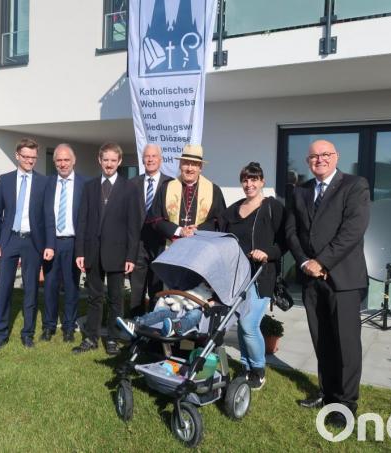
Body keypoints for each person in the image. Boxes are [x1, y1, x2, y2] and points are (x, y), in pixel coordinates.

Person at [285, 139, 370, 427]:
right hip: (312, 279)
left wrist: (321, 262)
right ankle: (327, 393)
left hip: (343, 279)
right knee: (322, 340)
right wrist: (304, 263)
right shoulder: (300, 191)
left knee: (346, 344)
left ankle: (345, 403)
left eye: (325, 154)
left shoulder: (354, 186)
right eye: (314, 156)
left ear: (336, 157)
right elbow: (292, 231)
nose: (319, 159)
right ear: (307, 161)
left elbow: (353, 230)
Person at [219, 162, 287, 390]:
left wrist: (267, 253)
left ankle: (258, 369)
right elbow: (220, 233)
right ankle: (246, 366)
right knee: (241, 323)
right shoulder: (234, 209)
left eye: (254, 179)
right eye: (245, 180)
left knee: (249, 324)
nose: (249, 184)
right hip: (237, 276)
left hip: (261, 275)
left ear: (262, 181)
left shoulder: (272, 207)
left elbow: (285, 242)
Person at [72, 142, 141, 356]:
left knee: (116, 299)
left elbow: (134, 226)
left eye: (113, 160)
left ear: (119, 162)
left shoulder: (129, 188)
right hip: (92, 252)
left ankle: (112, 338)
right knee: (94, 297)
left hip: (118, 254)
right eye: (105, 160)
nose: (109, 164)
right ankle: (91, 338)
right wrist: (80, 252)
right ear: (99, 160)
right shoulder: (90, 186)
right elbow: (82, 221)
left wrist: (131, 256)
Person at [0, 138, 52, 351]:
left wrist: (48, 244)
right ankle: (0, 334)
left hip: (33, 242)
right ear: (17, 156)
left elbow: (48, 216)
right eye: (26, 156)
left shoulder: (43, 182)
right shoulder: (5, 180)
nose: (30, 161)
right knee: (4, 288)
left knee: (31, 289)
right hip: (9, 240)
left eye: (33, 157)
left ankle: (27, 334)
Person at [40, 144, 85, 343]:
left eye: (66, 159)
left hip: (74, 243)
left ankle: (69, 326)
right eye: (59, 160)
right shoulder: (47, 183)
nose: (63, 163)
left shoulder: (85, 184)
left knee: (71, 286)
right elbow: (42, 215)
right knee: (50, 286)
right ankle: (49, 326)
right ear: (54, 162)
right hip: (52, 243)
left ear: (74, 161)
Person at [129, 144, 173, 317]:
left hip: (161, 245)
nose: (150, 159)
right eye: (147, 156)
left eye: (154, 156)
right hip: (138, 245)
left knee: (157, 290)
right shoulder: (132, 183)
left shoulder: (171, 184)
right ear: (142, 159)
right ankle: (135, 325)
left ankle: (154, 325)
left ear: (160, 160)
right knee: (136, 290)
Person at [148, 144, 226, 240]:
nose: (189, 168)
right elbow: (155, 219)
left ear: (200, 167)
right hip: (172, 246)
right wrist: (179, 231)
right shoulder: (166, 188)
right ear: (180, 165)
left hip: (202, 245)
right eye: (186, 163)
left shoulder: (214, 190)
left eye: (194, 164)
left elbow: (219, 221)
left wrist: (198, 230)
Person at [116, 282, 213, 338]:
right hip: (180, 308)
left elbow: (215, 304)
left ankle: (176, 327)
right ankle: (137, 323)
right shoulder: (197, 283)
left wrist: (210, 304)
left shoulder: (215, 292)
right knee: (163, 313)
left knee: (194, 314)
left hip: (198, 310)